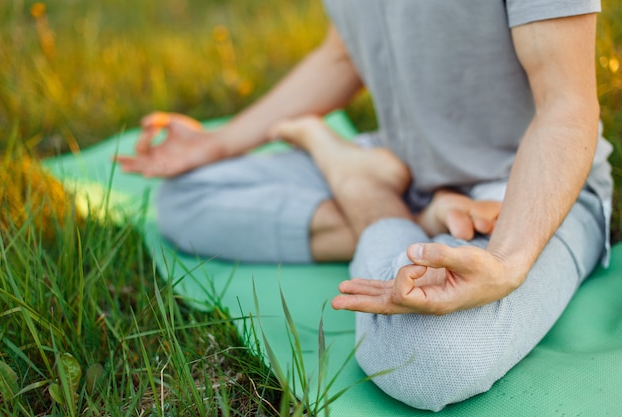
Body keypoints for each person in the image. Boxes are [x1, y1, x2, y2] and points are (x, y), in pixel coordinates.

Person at [116, 0, 613, 411]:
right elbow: (342, 55)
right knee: (183, 196)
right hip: (406, 160)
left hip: (521, 190)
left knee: (427, 360)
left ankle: (364, 188)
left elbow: (565, 106)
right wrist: (218, 144)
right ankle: (408, 211)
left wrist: (507, 261)